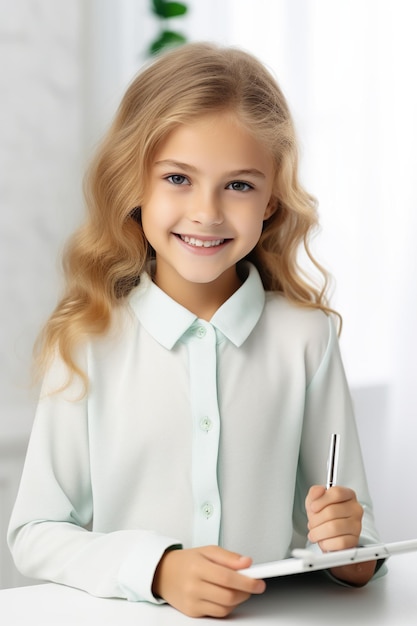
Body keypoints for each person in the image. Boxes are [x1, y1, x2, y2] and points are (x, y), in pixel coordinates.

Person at [8, 42, 383, 618]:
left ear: (272, 202)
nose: (206, 212)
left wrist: (349, 547)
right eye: (179, 178)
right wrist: (157, 569)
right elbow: (34, 531)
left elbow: (350, 549)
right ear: (134, 184)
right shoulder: (87, 342)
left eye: (238, 185)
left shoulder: (307, 339)